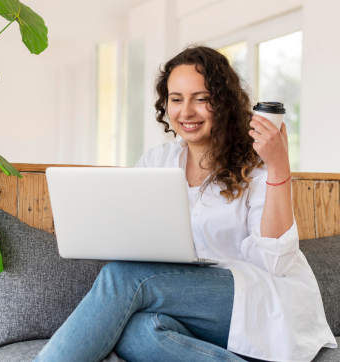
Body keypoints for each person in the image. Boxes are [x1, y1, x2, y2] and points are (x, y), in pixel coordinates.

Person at [34, 46, 337, 362]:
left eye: (201, 98)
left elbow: (277, 264)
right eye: (176, 99)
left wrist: (278, 167)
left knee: (121, 275)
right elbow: (135, 240)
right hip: (187, 301)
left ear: (225, 103)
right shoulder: (157, 161)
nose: (186, 112)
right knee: (138, 331)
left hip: (260, 300)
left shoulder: (257, 164)